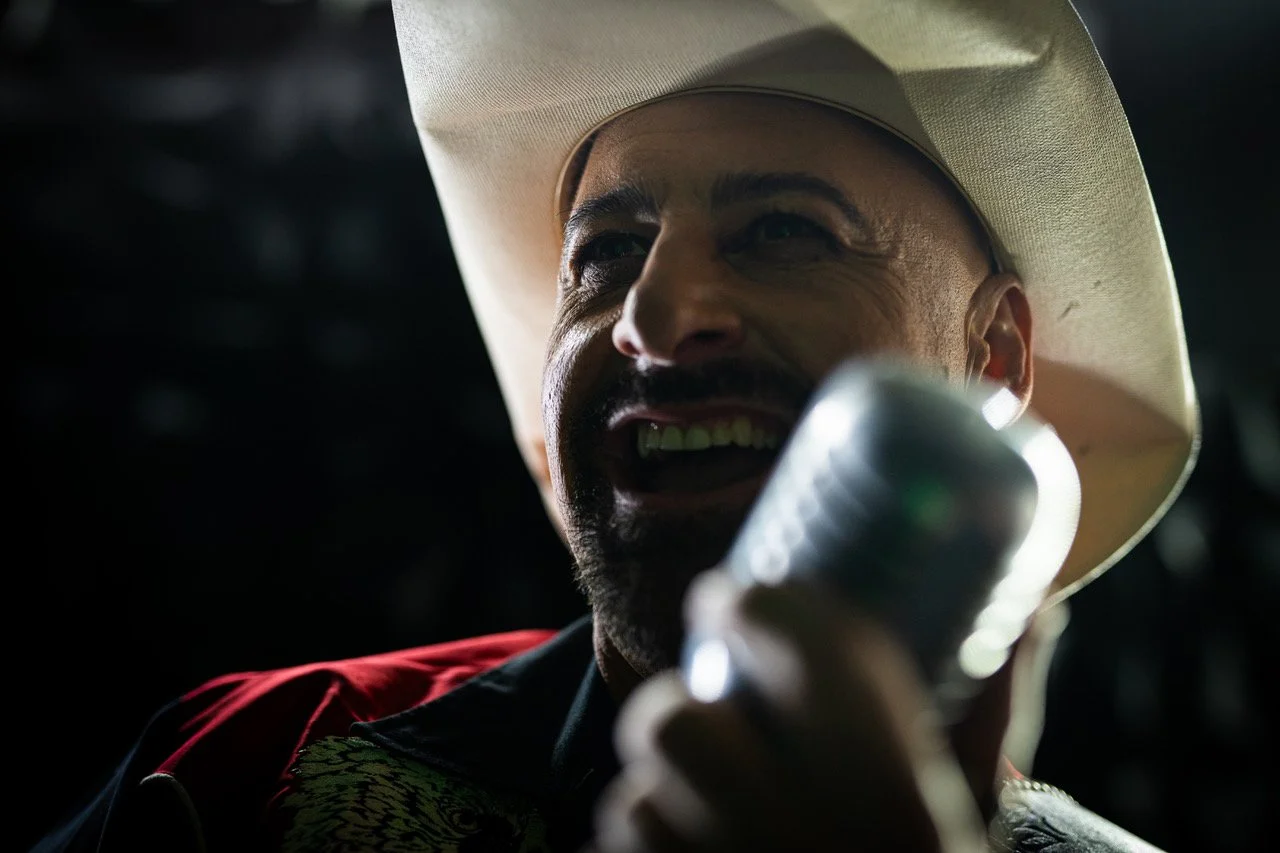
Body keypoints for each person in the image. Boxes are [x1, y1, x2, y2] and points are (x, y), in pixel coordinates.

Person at [33, 1, 1199, 851]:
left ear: (989, 356)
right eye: (603, 255)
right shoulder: (243, 775)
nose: (650, 316)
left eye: (782, 231)